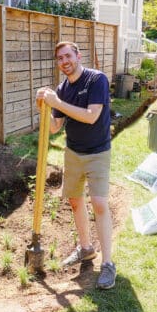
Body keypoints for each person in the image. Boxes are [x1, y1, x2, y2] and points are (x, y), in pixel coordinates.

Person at [35, 42, 116, 290]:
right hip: (73, 152)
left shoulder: (96, 80)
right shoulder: (62, 88)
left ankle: (108, 264)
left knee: (100, 204)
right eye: (59, 58)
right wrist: (44, 107)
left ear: (78, 56)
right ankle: (86, 248)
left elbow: (91, 116)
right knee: (74, 201)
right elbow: (56, 127)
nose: (64, 61)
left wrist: (56, 102)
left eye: (68, 56)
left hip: (97, 152)